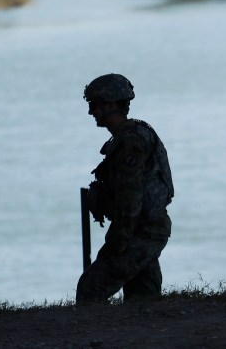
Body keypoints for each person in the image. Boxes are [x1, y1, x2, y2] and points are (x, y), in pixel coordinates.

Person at [76, 73, 174, 303]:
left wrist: (117, 241)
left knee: (91, 288)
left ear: (111, 104)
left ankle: (93, 337)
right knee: (143, 301)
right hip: (148, 229)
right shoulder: (128, 136)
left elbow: (130, 197)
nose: (91, 112)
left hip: (141, 231)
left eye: (95, 105)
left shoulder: (130, 140)